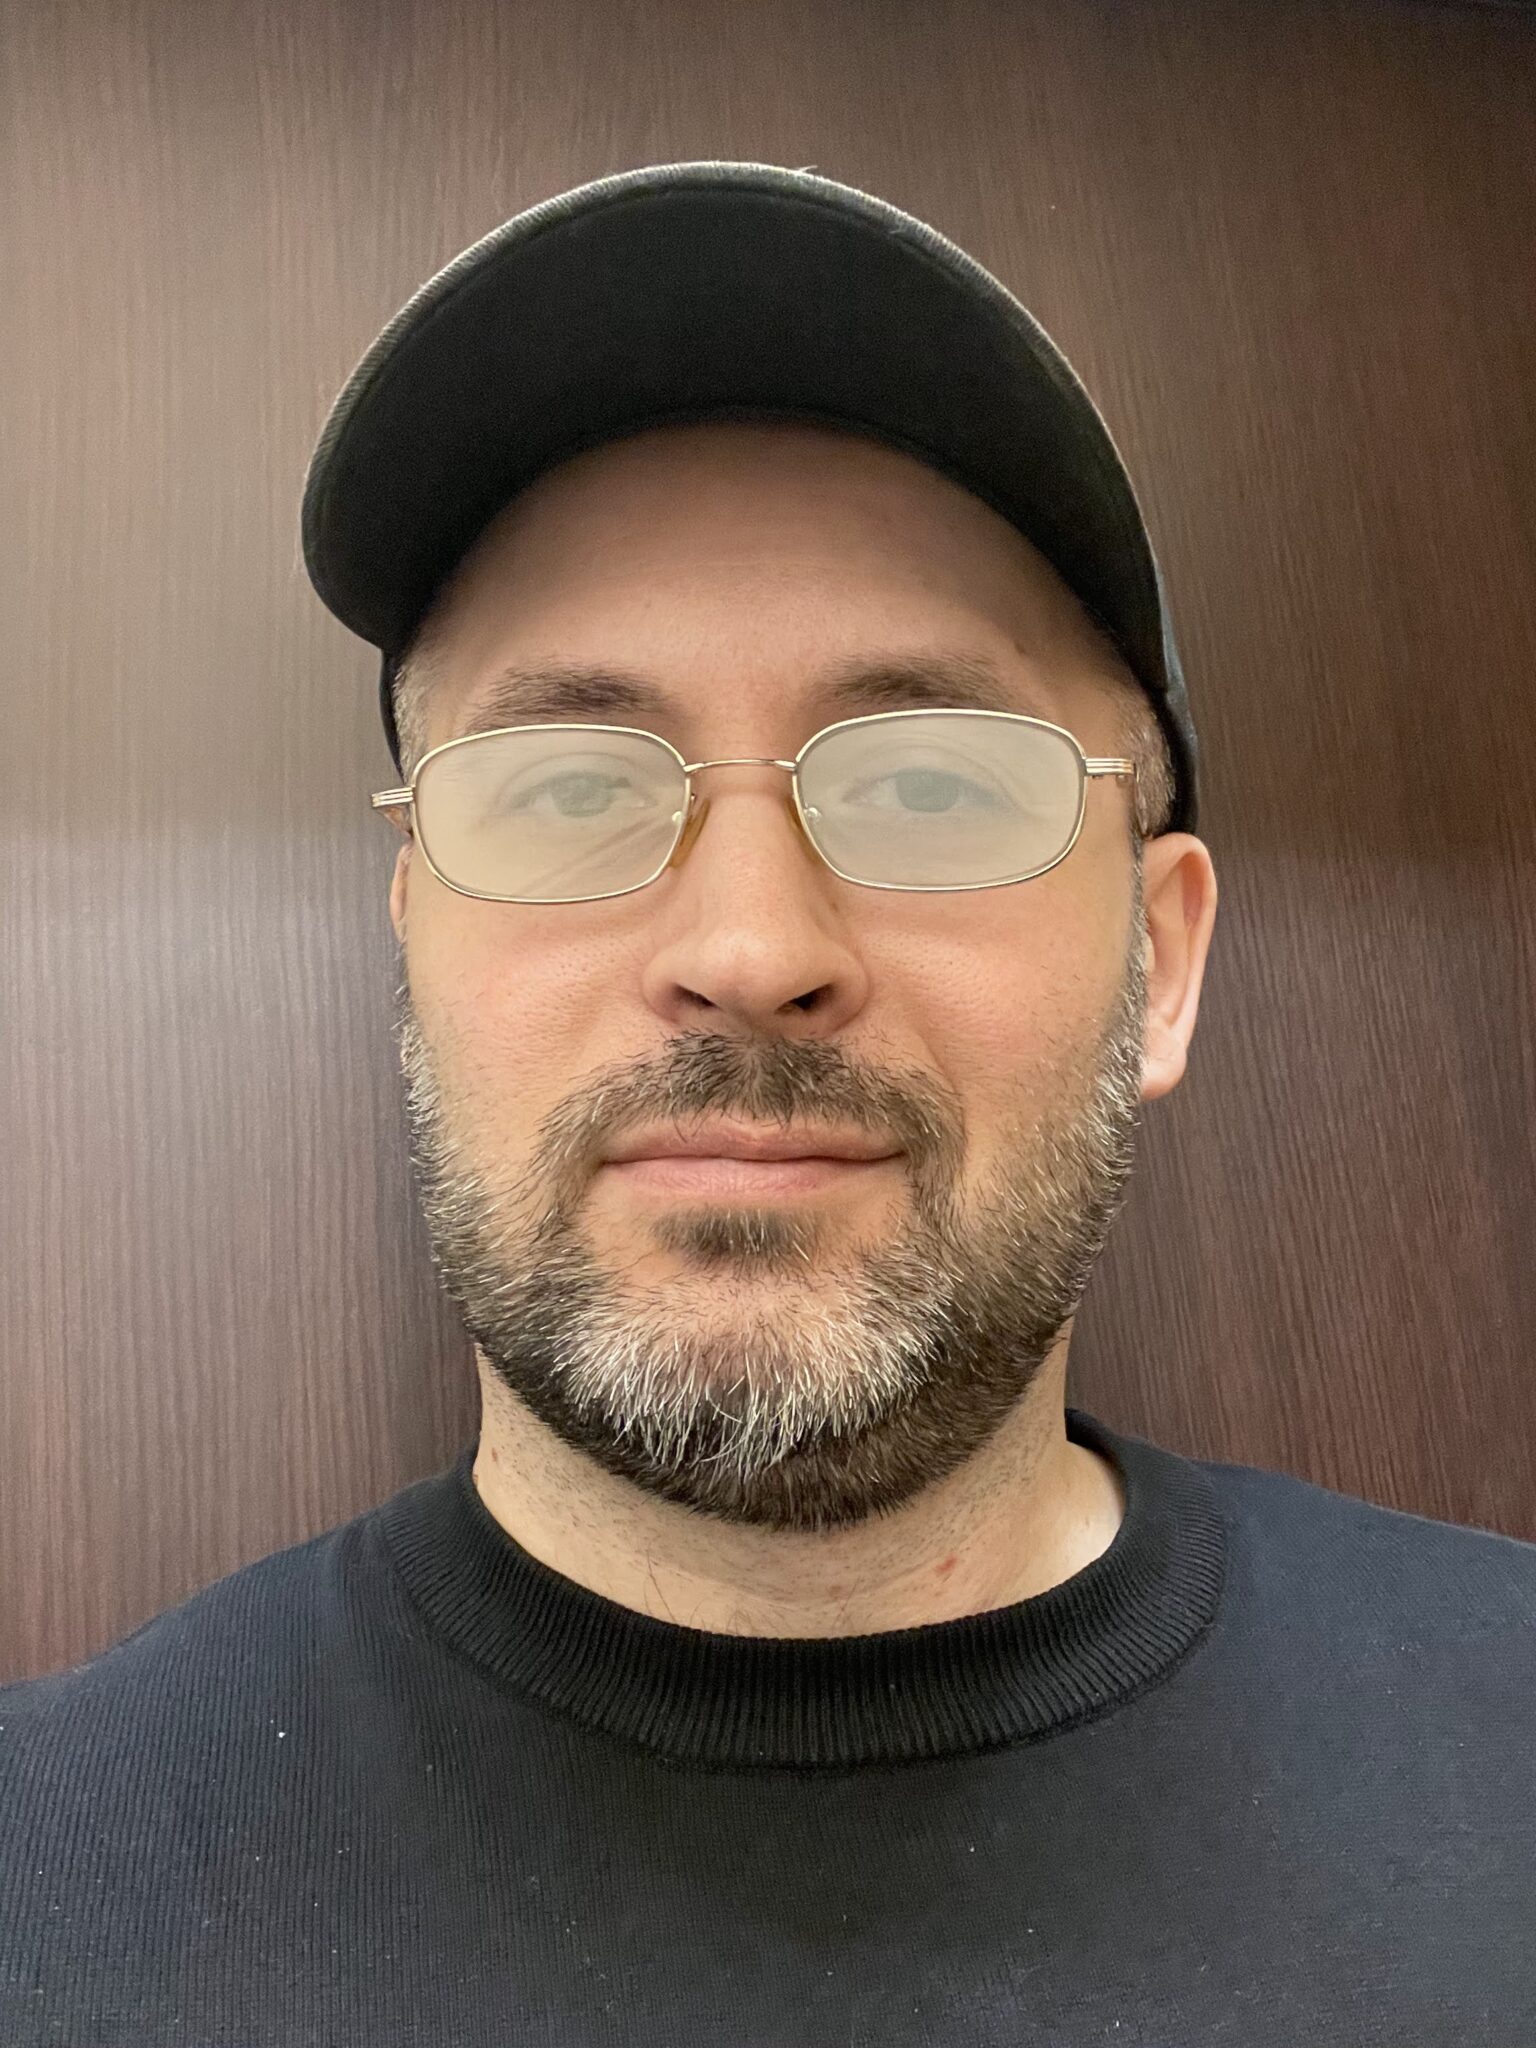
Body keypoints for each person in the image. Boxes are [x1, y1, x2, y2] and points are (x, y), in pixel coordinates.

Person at [3, 162, 1531, 2046]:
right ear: (415, 943)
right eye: (570, 791)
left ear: (1162, 960)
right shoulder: (41, 1889)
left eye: (934, 787)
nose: (748, 947)